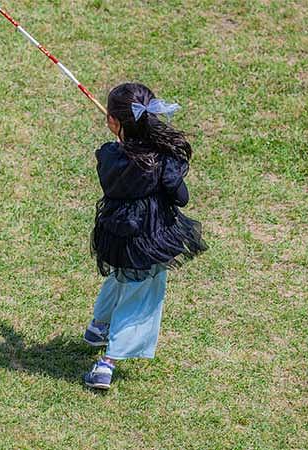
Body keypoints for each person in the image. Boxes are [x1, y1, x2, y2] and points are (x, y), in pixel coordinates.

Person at [82, 82, 208, 390]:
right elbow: (181, 198)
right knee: (142, 298)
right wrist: (166, 163)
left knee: (119, 275)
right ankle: (107, 363)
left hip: (116, 235)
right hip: (149, 239)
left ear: (113, 122)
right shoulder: (161, 161)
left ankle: (98, 325)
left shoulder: (108, 155)